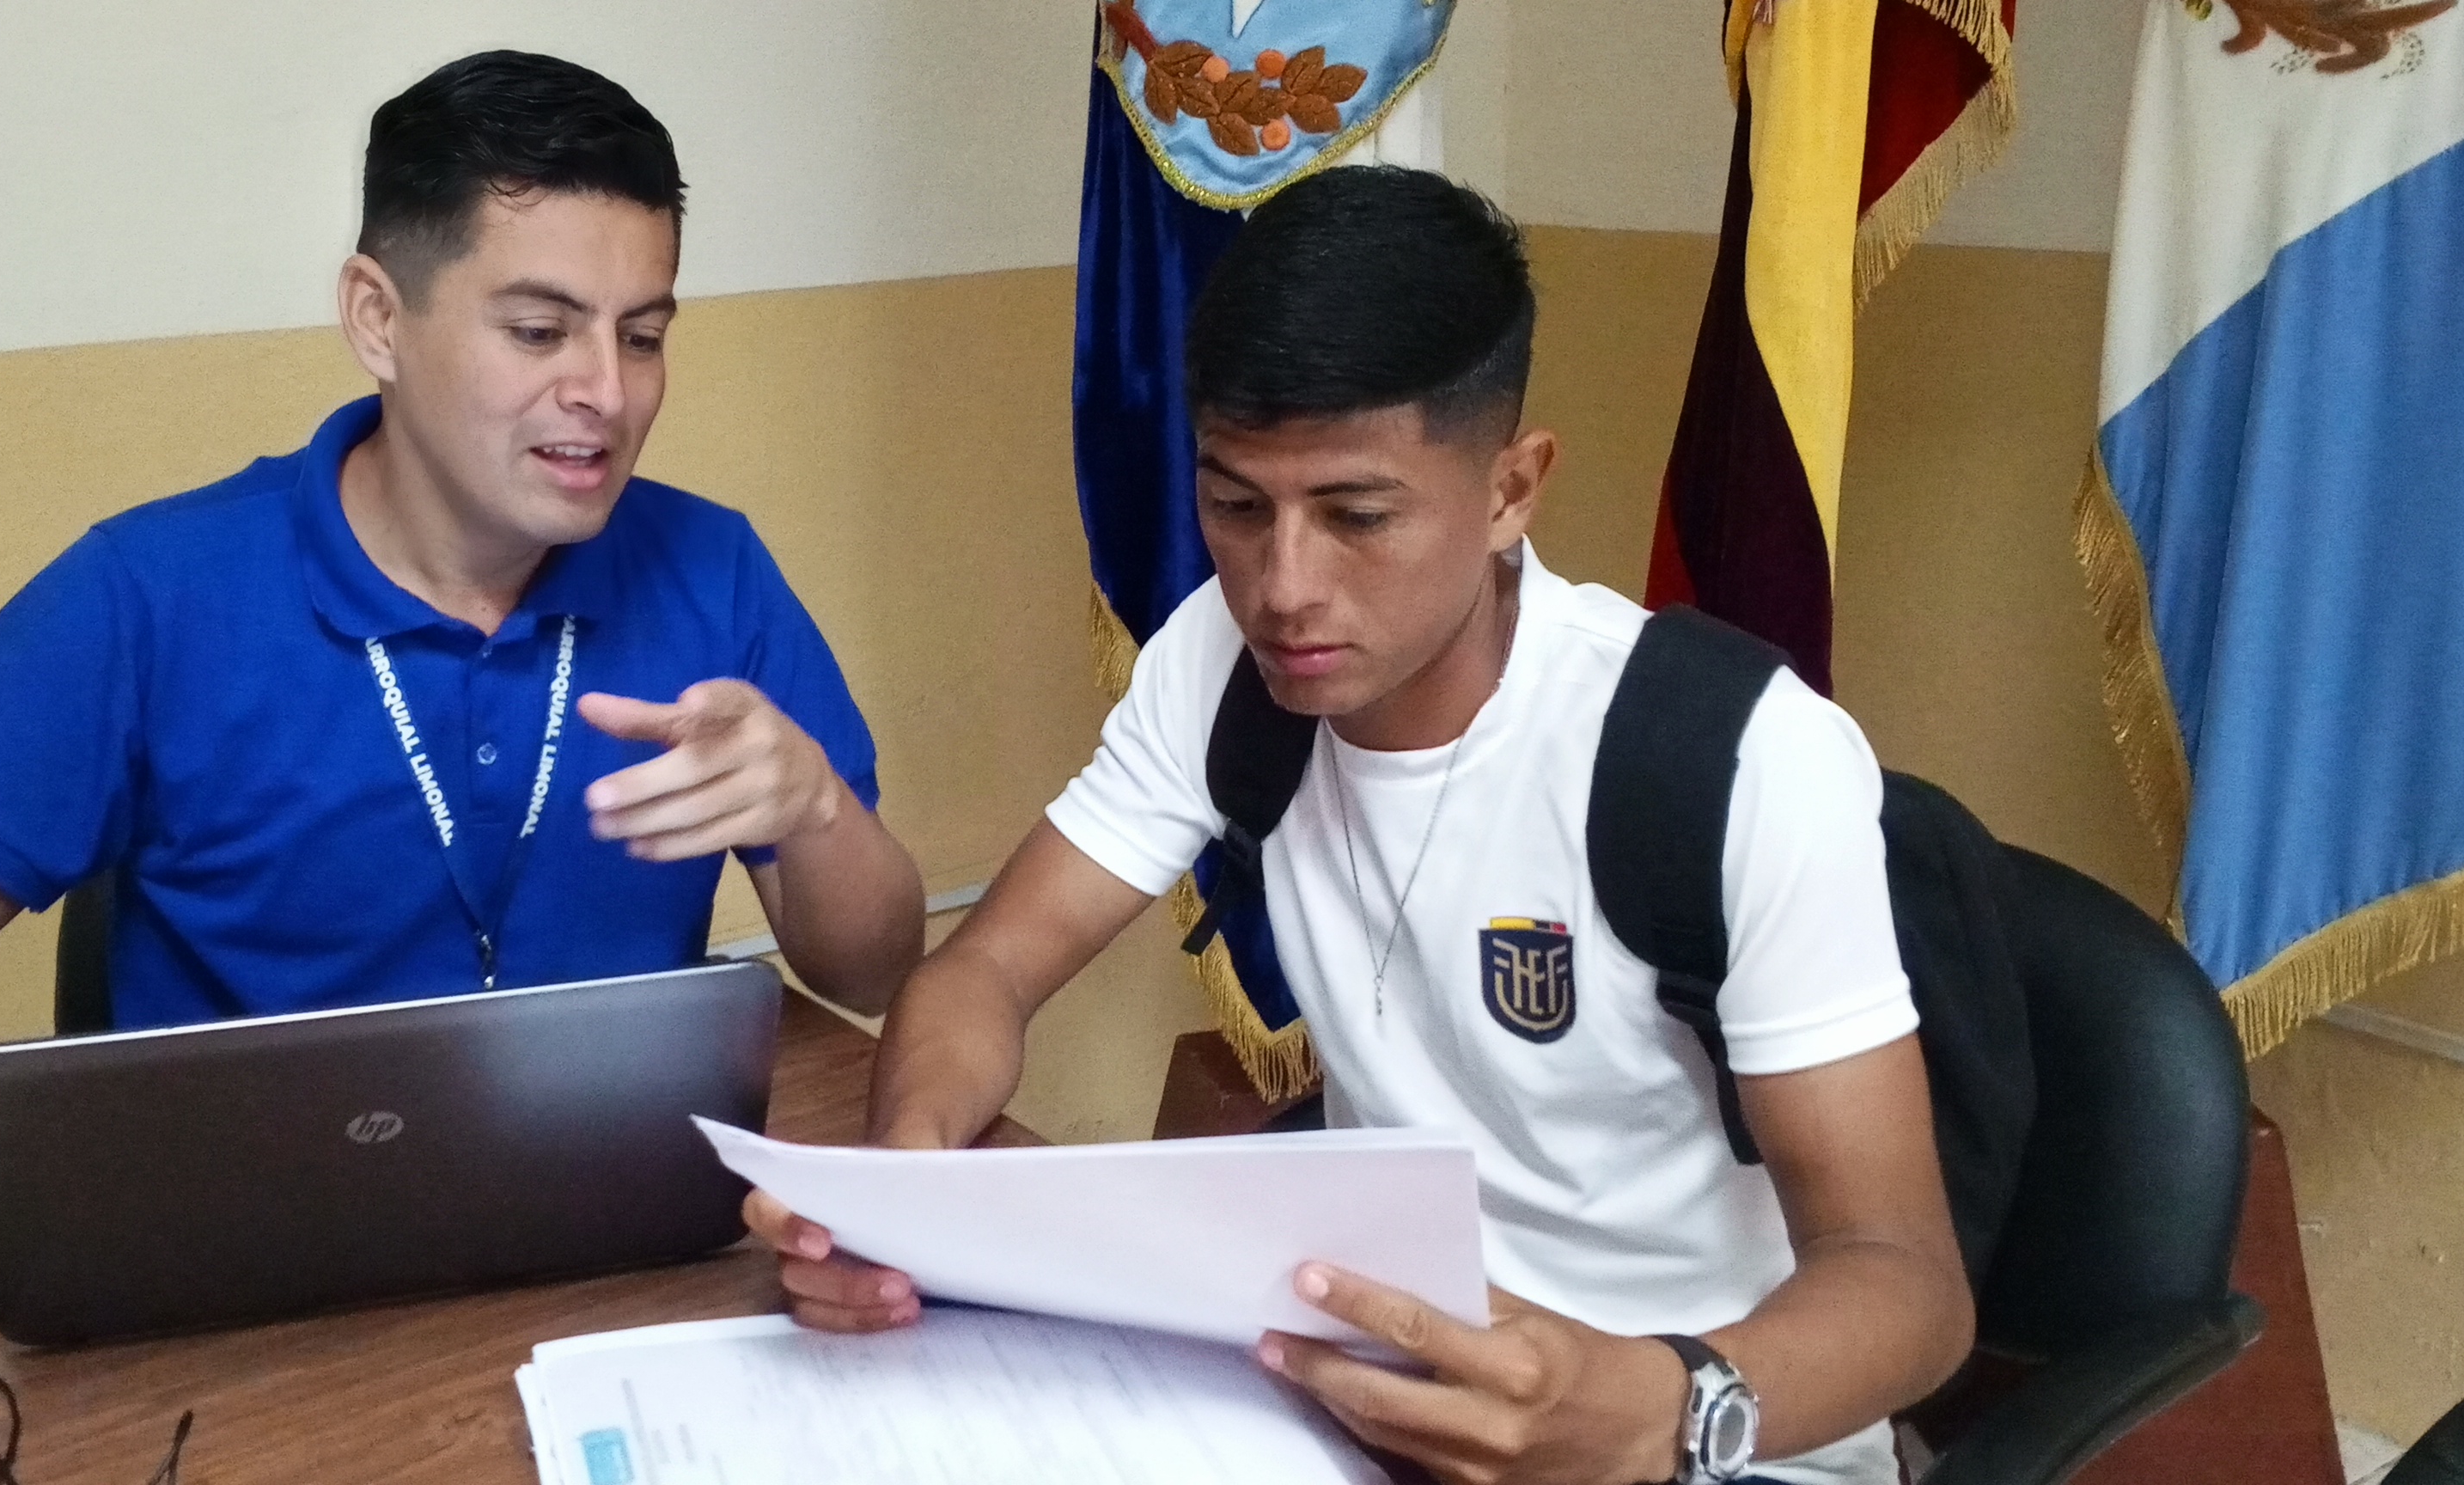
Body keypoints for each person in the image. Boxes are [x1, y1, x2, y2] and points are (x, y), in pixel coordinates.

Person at [0, 52, 924, 1410]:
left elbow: (871, 965)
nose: (605, 392)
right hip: (227, 1327)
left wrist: (814, 811)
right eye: (539, 331)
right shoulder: (149, 595)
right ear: (379, 317)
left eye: (645, 335)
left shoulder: (713, 574)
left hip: (619, 1286)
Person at [748, 168, 1971, 1485]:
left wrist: (1657, 1408)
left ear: (1511, 489)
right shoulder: (1217, 665)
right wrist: (909, 1190)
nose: (1283, 588)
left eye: (1357, 517)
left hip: (1694, 1437)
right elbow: (985, 970)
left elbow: (1906, 1281)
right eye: (1236, 506)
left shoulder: (1731, 756)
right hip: (1363, 1399)